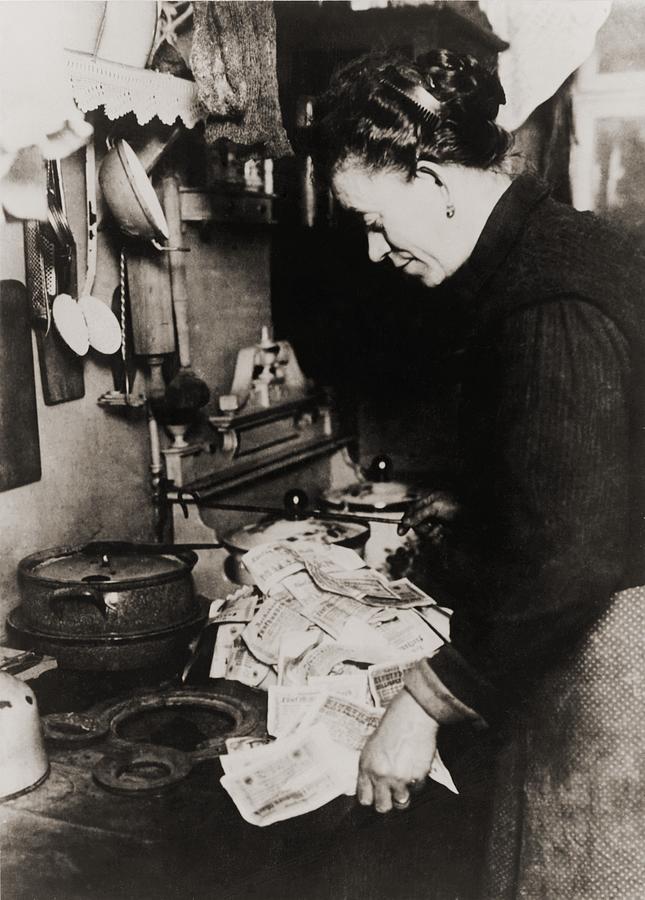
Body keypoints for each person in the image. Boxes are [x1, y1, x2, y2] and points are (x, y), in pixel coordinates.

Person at [313, 49, 645, 899]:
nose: (376, 251)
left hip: (615, 656)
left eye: (376, 220)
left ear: (431, 180)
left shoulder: (547, 300)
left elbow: (568, 556)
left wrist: (420, 704)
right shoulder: (559, 247)